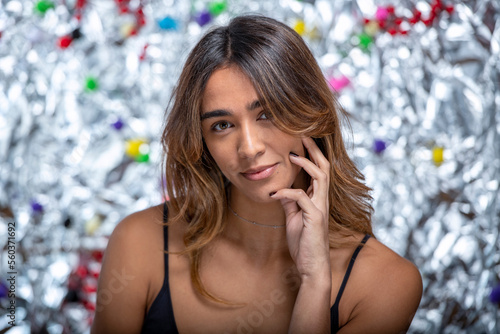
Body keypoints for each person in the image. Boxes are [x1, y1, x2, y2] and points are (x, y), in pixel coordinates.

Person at [91, 15, 422, 334]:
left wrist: (314, 281)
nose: (248, 148)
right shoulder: (139, 242)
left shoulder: (387, 282)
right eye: (222, 125)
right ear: (202, 142)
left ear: (311, 114)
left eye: (267, 114)